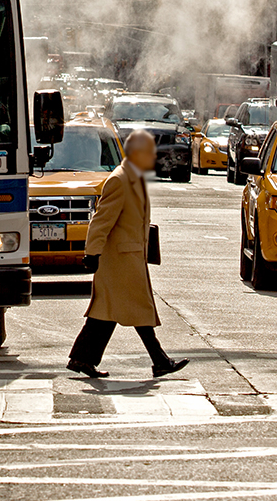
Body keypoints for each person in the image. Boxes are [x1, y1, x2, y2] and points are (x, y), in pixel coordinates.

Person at [68, 130, 190, 379]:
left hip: (128, 257)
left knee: (106, 313)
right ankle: (160, 360)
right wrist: (92, 253)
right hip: (120, 261)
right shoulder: (119, 180)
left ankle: (81, 358)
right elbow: (101, 221)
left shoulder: (133, 177)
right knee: (137, 309)